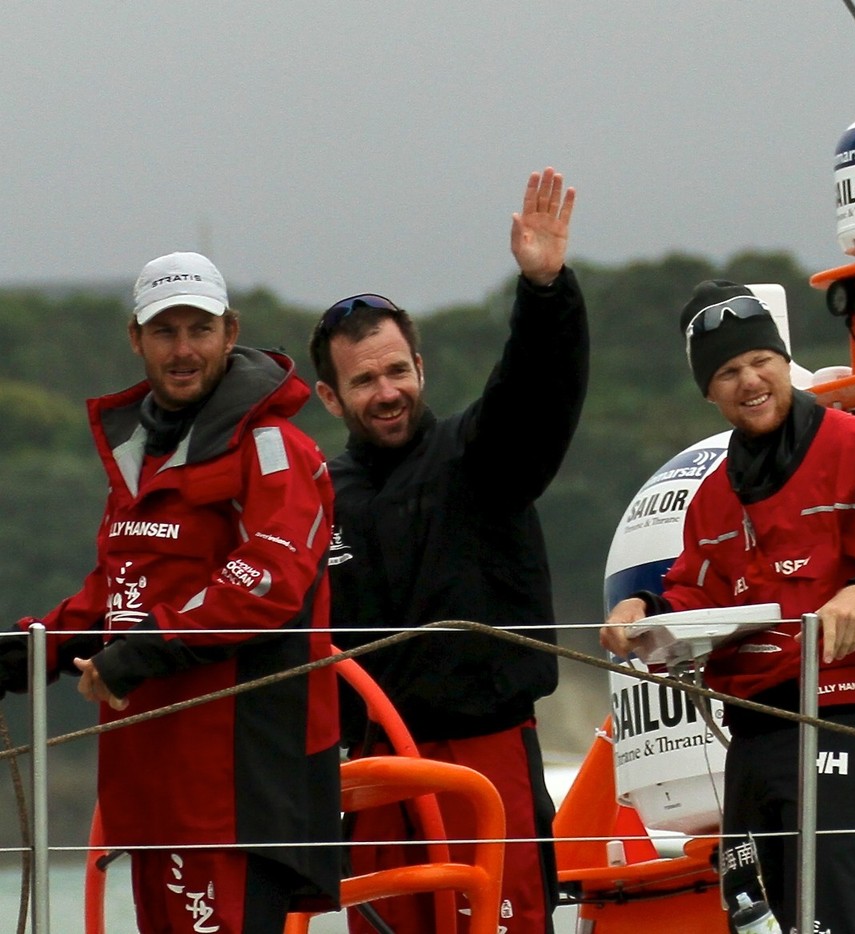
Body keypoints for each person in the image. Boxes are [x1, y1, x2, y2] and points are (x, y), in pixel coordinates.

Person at [600, 279, 855, 934]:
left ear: (784, 362)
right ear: (708, 392)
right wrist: (642, 608)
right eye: (729, 371)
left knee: (843, 920)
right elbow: (695, 591)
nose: (750, 380)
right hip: (749, 739)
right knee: (757, 921)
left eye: (760, 361)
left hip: (839, 725)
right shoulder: (713, 496)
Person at [0, 251, 342, 934]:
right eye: (165, 331)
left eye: (199, 330)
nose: (183, 350)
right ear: (136, 339)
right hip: (151, 781)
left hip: (236, 789)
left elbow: (268, 579)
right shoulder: (140, 455)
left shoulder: (275, 446)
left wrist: (144, 649)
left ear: (229, 331)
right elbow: (115, 590)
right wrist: (31, 650)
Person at [308, 166, 588, 933]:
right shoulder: (310, 498)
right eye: (365, 381)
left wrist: (544, 290)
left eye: (398, 370)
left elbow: (536, 391)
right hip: (371, 777)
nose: (388, 390)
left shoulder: (481, 457)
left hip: (486, 761)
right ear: (331, 399)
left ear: (421, 369)